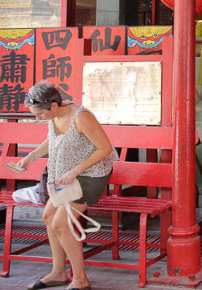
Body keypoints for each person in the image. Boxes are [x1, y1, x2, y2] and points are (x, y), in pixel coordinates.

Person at [18, 81, 118, 290]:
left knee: (60, 224)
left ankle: (80, 279)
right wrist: (32, 155)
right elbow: (52, 139)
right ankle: (58, 272)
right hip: (68, 175)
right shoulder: (54, 115)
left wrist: (76, 171)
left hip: (90, 175)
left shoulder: (81, 117)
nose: (38, 118)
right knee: (48, 217)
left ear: (53, 105)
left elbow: (105, 148)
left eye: (39, 114)